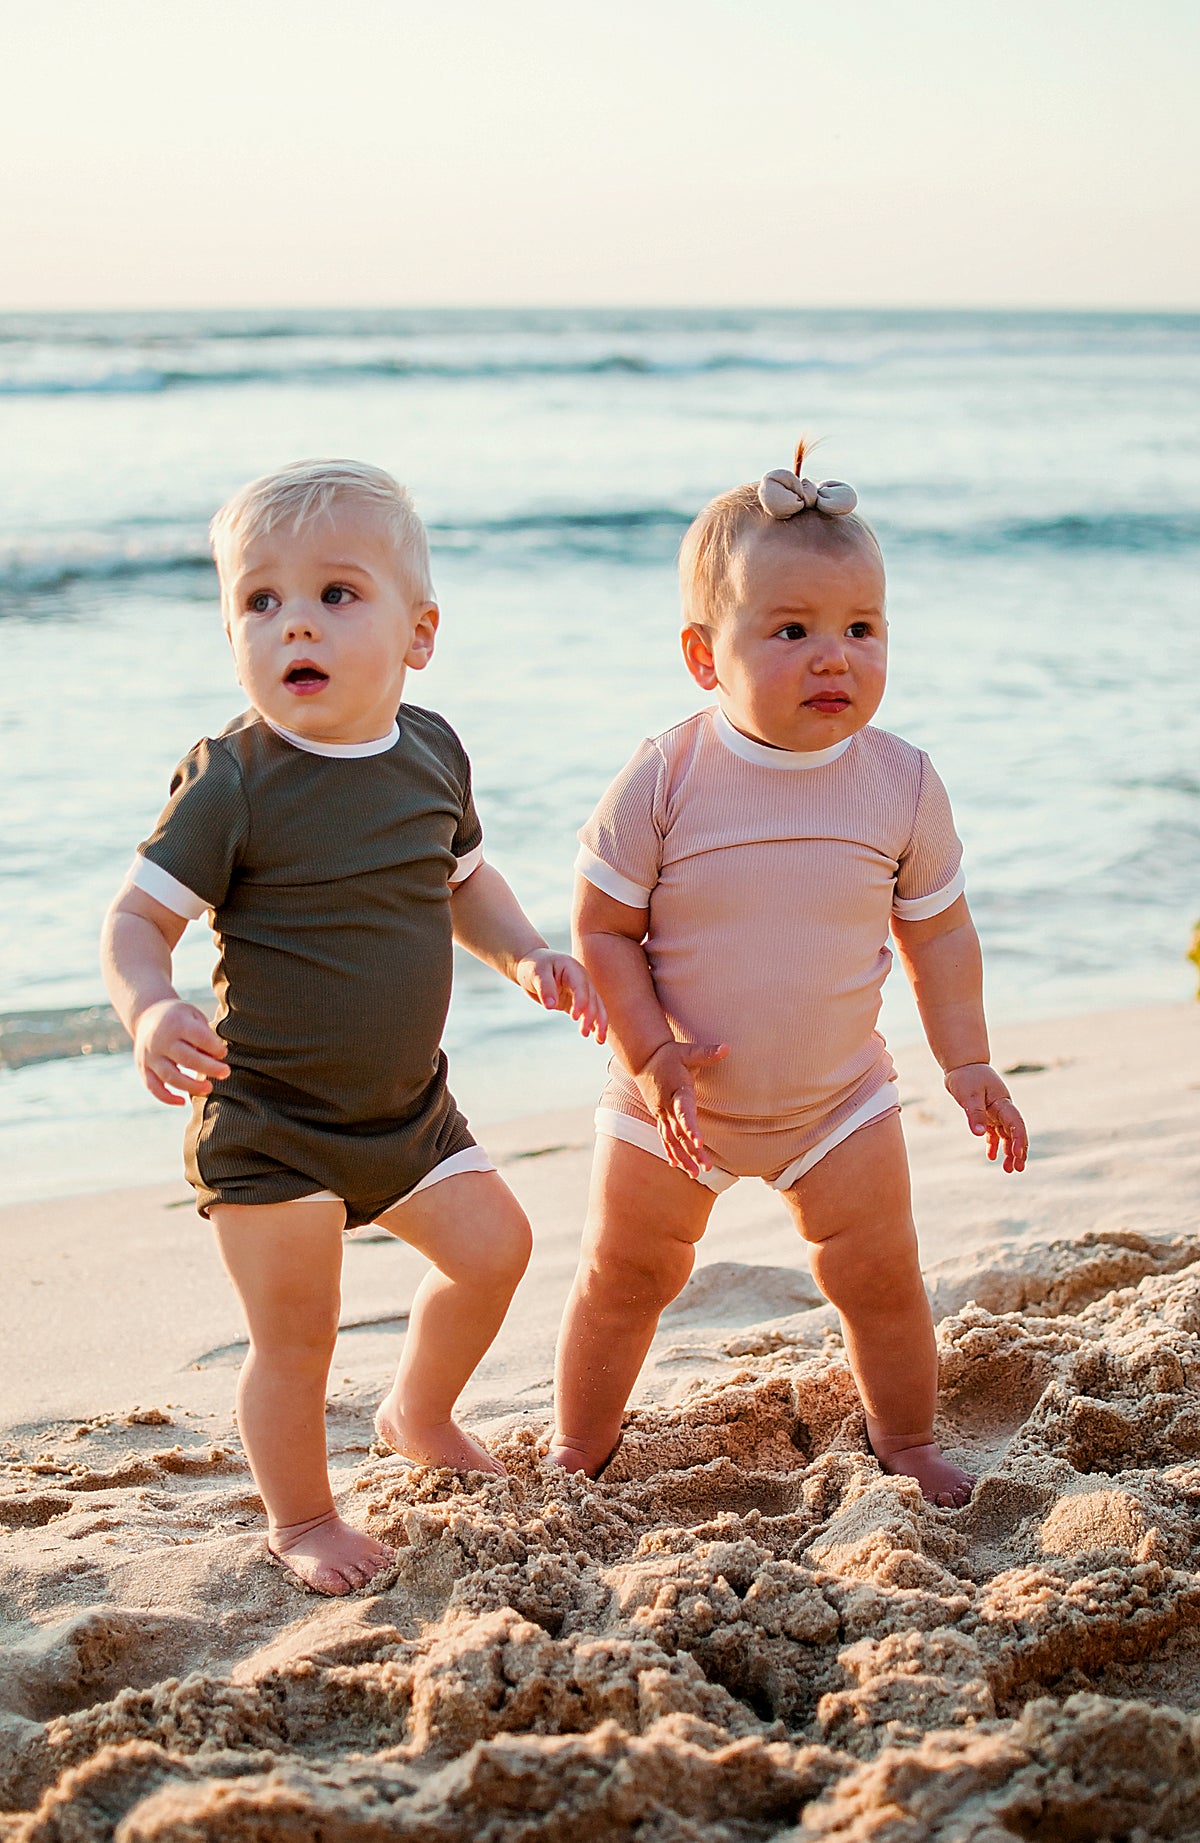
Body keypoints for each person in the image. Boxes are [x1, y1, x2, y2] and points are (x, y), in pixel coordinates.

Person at [101, 459, 605, 1594]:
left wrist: (527, 952)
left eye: (336, 594)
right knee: (298, 1332)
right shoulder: (234, 777)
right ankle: (304, 1516)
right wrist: (150, 1004)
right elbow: (136, 917)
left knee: (496, 1249)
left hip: (406, 1111)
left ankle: (417, 1413)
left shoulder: (431, 751)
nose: (294, 624)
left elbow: (464, 883)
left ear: (418, 634)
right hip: (271, 1122)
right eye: (259, 600)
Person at [549, 445, 1027, 1508]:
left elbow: (939, 935)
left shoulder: (900, 782)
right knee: (625, 1281)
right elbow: (603, 929)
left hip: (837, 1099)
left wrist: (969, 1061)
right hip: (673, 1099)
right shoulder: (668, 774)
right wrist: (651, 1055)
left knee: (883, 1280)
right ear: (702, 656)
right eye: (792, 630)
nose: (834, 657)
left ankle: (903, 1438)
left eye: (862, 629)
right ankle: (578, 1449)